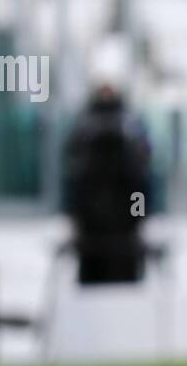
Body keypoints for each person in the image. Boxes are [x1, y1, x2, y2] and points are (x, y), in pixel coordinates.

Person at [62, 84, 152, 284]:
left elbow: (139, 187)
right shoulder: (128, 127)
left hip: (107, 232)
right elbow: (140, 187)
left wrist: (138, 222)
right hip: (103, 232)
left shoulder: (85, 128)